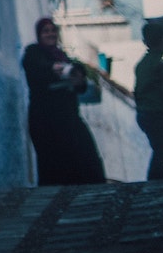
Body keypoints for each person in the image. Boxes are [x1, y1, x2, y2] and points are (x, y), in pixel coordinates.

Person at [22, 16, 106, 184]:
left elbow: (79, 84)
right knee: (52, 163)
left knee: (84, 156)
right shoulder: (33, 54)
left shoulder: (63, 57)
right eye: (46, 31)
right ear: (39, 34)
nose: (50, 34)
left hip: (68, 118)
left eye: (53, 30)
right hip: (45, 120)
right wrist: (53, 69)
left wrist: (78, 79)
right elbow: (39, 71)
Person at [133, 24, 163, 181]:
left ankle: (156, 183)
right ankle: (155, 184)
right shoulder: (162, 66)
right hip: (157, 115)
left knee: (158, 152)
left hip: (144, 114)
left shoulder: (141, 65)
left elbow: (137, 92)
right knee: (161, 154)